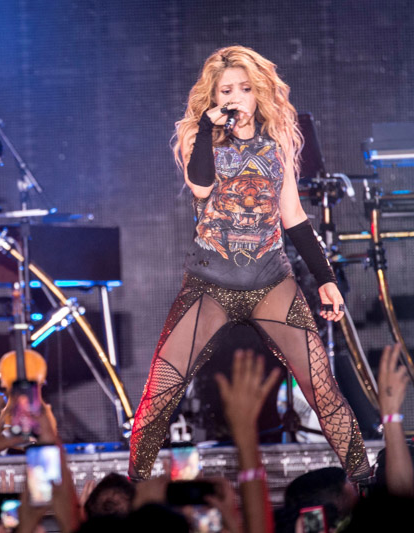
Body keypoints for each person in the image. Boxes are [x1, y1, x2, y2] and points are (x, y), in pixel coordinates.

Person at [128, 46, 370, 483]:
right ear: (214, 96)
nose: (236, 97)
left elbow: (294, 217)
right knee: (161, 390)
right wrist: (206, 126)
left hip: (270, 279)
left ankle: (368, 485)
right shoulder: (197, 136)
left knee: (322, 388)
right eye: (226, 90)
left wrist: (326, 279)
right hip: (209, 282)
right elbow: (201, 187)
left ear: (258, 92)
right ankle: (129, 497)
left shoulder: (277, 143)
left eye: (244, 88)